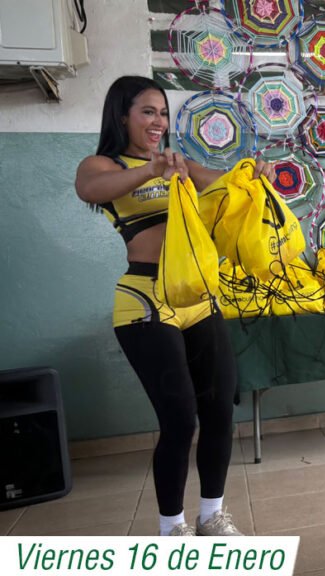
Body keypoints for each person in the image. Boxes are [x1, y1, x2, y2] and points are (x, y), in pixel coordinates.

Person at [74, 76, 273, 536]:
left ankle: (211, 515)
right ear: (122, 115)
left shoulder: (178, 163)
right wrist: (152, 170)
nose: (158, 121)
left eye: (163, 113)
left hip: (199, 300)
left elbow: (226, 184)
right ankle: (172, 526)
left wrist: (251, 175)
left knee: (220, 408)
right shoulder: (102, 164)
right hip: (144, 301)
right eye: (147, 111)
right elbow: (91, 190)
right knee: (180, 418)